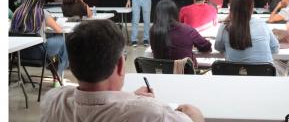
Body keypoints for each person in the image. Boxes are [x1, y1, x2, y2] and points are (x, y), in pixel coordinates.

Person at [41, 20, 204, 122]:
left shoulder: (54, 100)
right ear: (120, 64)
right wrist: (192, 112)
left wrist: (131, 97)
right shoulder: (152, 113)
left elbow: (99, 103)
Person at [10, 0, 68, 87]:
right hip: (39, 53)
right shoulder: (42, 13)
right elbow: (59, 29)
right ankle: (59, 74)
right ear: (41, 4)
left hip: (19, 54)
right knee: (62, 41)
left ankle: (56, 72)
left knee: (50, 51)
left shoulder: (17, 12)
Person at [215, 0, 279, 63]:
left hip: (234, 72)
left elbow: (218, 47)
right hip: (264, 73)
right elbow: (275, 49)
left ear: (230, 8)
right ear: (252, 8)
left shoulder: (225, 26)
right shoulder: (262, 24)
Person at [150, 0, 212, 66]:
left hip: (162, 73)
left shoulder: (153, 31)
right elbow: (206, 47)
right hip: (185, 73)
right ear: (175, 13)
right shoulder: (187, 30)